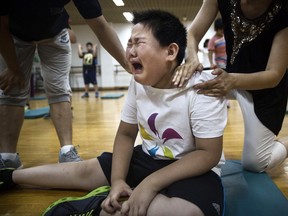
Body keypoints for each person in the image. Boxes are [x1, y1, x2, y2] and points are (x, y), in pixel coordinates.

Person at [0, 10, 227, 216]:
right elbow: (126, 135)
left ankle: (94, 207)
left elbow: (207, 154)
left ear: (171, 51)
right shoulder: (138, 83)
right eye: (129, 43)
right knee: (85, 170)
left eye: (139, 43)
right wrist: (118, 180)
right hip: (147, 160)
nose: (130, 51)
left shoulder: (203, 87)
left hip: (193, 170)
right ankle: (10, 176)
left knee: (185, 213)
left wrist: (151, 184)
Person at [0, 0, 129, 168]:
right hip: (13, 33)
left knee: (59, 90)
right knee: (12, 88)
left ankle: (67, 151)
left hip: (55, 33)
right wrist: (13, 67)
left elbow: (101, 26)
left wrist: (127, 64)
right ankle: (7, 157)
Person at [175, 0, 288, 173]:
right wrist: (192, 59)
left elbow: (273, 75)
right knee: (187, 84)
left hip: (264, 90)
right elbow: (192, 34)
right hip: (231, 74)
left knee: (256, 163)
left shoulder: (284, 9)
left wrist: (233, 81)